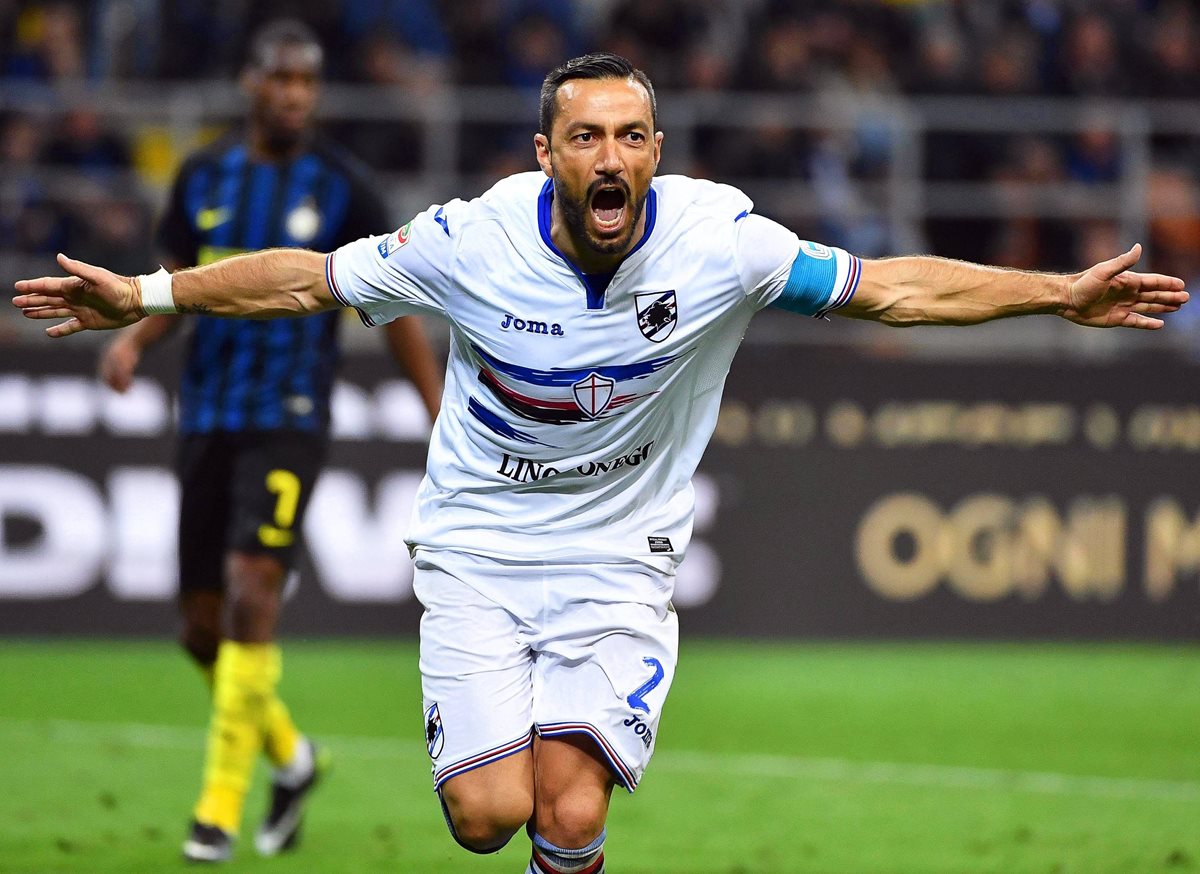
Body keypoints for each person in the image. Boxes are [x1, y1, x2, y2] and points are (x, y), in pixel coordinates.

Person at [13, 53, 1187, 874]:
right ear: (549, 154)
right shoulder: (469, 239)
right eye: (587, 137)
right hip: (476, 548)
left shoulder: (723, 242)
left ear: (656, 151)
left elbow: (892, 289)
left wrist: (1055, 296)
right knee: (486, 814)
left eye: (631, 135)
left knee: (570, 804)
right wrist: (149, 294)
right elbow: (306, 276)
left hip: (621, 559)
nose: (610, 155)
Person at [92, 20, 443, 864]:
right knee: (199, 630)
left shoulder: (345, 188)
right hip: (207, 413)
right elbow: (173, 287)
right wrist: (133, 340)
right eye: (281, 80)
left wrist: (440, 410)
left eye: (307, 83)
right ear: (251, 83)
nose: (294, 95)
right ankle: (292, 759)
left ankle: (215, 811)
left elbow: (388, 309)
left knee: (254, 588)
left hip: (290, 418)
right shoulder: (203, 174)